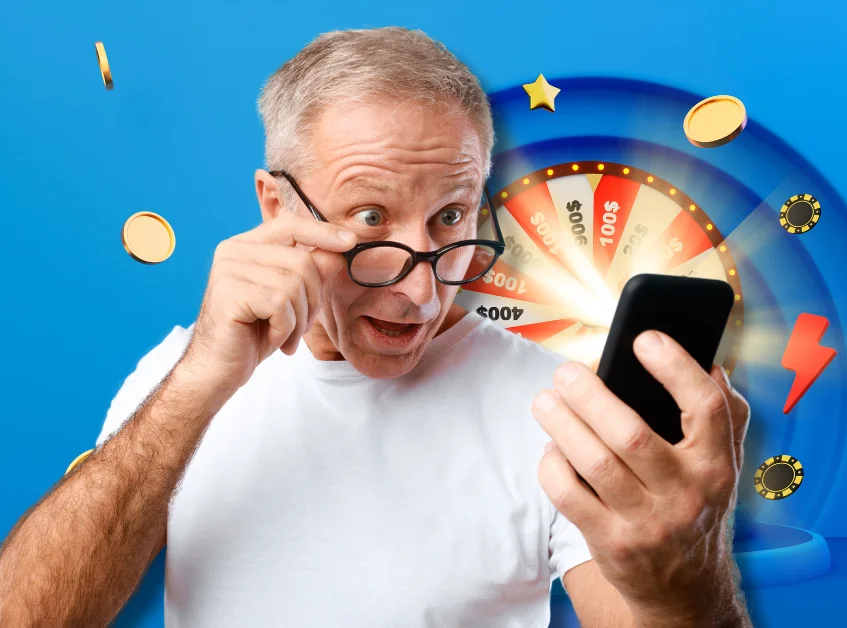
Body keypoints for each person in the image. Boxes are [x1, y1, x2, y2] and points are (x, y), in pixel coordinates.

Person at [0, 27, 751, 627]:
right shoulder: (172, 377)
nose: (423, 288)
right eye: (370, 219)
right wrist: (198, 382)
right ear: (276, 208)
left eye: (452, 217)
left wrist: (687, 584)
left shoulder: (557, 412)